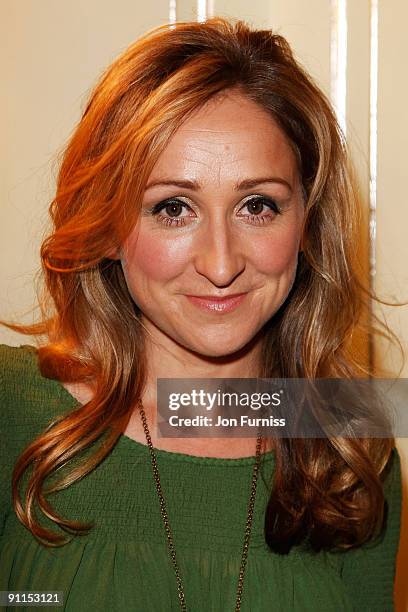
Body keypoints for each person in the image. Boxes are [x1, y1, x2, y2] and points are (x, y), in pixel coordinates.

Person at [0, 17, 403, 612]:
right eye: (172, 208)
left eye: (257, 205)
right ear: (109, 227)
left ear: (307, 226)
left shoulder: (349, 454)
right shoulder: (16, 412)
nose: (220, 264)